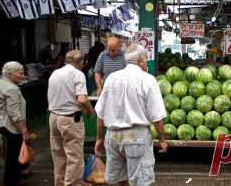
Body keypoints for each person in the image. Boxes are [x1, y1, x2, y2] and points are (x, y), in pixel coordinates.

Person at [94, 44, 168, 186]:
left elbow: (100, 113)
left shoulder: (111, 79)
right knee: (140, 181)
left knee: (119, 180)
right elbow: (157, 116)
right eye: (145, 60)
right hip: (136, 137)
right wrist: (162, 139)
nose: (146, 63)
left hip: (113, 136)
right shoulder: (148, 80)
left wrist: (98, 138)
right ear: (140, 61)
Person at [47, 50, 94, 186]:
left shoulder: (55, 73)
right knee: (75, 157)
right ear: (81, 62)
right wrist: (90, 111)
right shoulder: (77, 74)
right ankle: (73, 183)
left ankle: (61, 183)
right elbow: (82, 99)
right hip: (69, 119)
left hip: (54, 118)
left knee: (58, 155)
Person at [0, 61, 31, 186]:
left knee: (9, 153)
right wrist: (24, 130)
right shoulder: (12, 89)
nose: (23, 76)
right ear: (10, 74)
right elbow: (14, 114)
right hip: (9, 126)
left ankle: (22, 171)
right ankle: (11, 181)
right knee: (13, 155)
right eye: (20, 73)